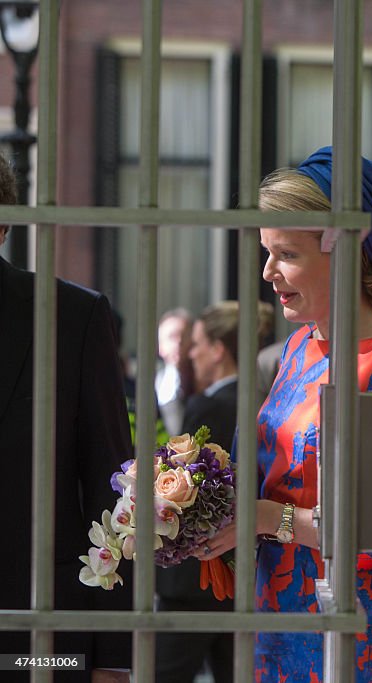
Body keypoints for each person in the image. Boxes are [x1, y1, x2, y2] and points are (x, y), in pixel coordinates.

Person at [202, 149, 372, 683]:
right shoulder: (295, 350)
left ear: (346, 251)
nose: (268, 273)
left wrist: (268, 519)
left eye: (285, 253)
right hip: (274, 619)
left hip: (361, 631)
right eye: (267, 252)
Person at [0, 156, 133, 682]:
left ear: (4, 224)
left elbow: (112, 489)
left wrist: (112, 657)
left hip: (37, 639)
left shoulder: (71, 317)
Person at [156, 300, 251, 683]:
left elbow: (186, 493)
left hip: (197, 575)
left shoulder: (208, 406)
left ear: (217, 349)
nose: (190, 353)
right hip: (237, 572)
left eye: (196, 344)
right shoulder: (256, 399)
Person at [156, 307, 194, 435]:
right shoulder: (151, 386)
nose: (178, 341)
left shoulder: (206, 384)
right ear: (160, 346)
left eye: (184, 335)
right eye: (172, 336)